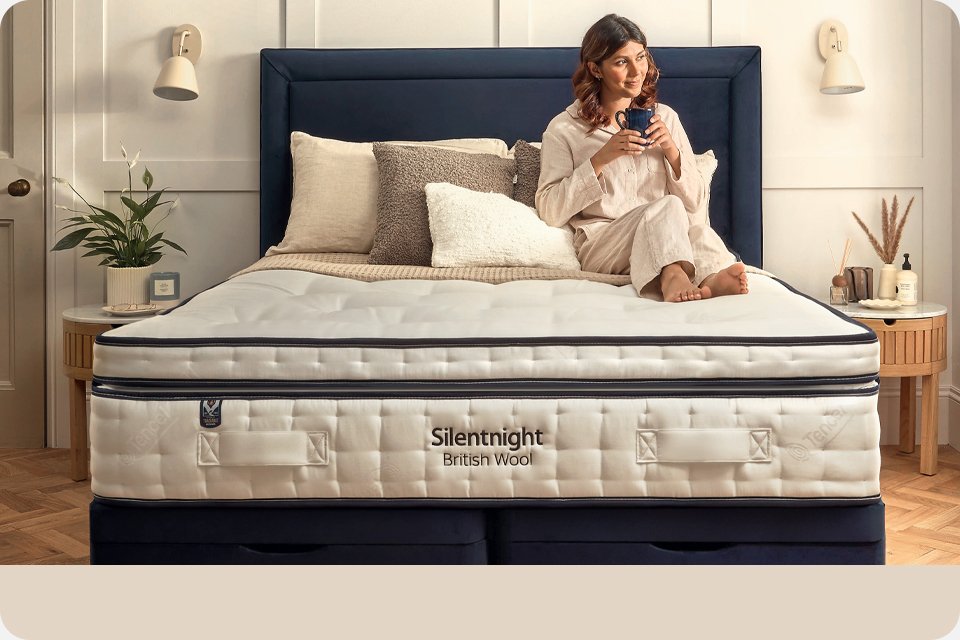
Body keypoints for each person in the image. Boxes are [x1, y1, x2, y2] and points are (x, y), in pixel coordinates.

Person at [536, 14, 749, 302]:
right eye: (621, 62)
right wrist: (601, 158)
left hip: (669, 232)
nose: (637, 71)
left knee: (696, 229)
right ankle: (674, 273)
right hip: (606, 243)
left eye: (641, 57)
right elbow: (549, 210)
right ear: (595, 69)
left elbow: (696, 204)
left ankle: (710, 279)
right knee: (668, 208)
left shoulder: (666, 119)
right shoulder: (564, 129)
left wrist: (671, 151)